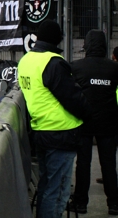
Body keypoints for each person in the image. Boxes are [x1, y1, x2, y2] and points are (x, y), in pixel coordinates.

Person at [17, 20, 91, 218]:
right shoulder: (53, 63)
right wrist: (89, 114)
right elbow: (73, 98)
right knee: (57, 191)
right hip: (62, 133)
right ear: (58, 39)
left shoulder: (26, 60)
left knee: (46, 185)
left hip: (40, 130)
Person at [69, 30, 118, 215]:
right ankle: (114, 203)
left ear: (87, 45)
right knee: (109, 164)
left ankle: (81, 203)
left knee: (83, 163)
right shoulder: (114, 68)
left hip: (84, 122)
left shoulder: (76, 67)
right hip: (109, 123)